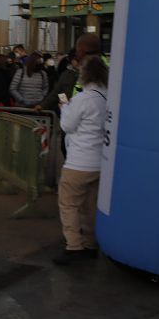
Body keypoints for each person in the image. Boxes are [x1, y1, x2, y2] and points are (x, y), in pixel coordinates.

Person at [53, 57, 109, 266]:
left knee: (68, 204)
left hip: (78, 162)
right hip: (99, 162)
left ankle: (74, 246)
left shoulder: (83, 98)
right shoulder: (107, 97)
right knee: (90, 206)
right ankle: (91, 244)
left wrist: (64, 107)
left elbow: (67, 125)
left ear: (84, 75)